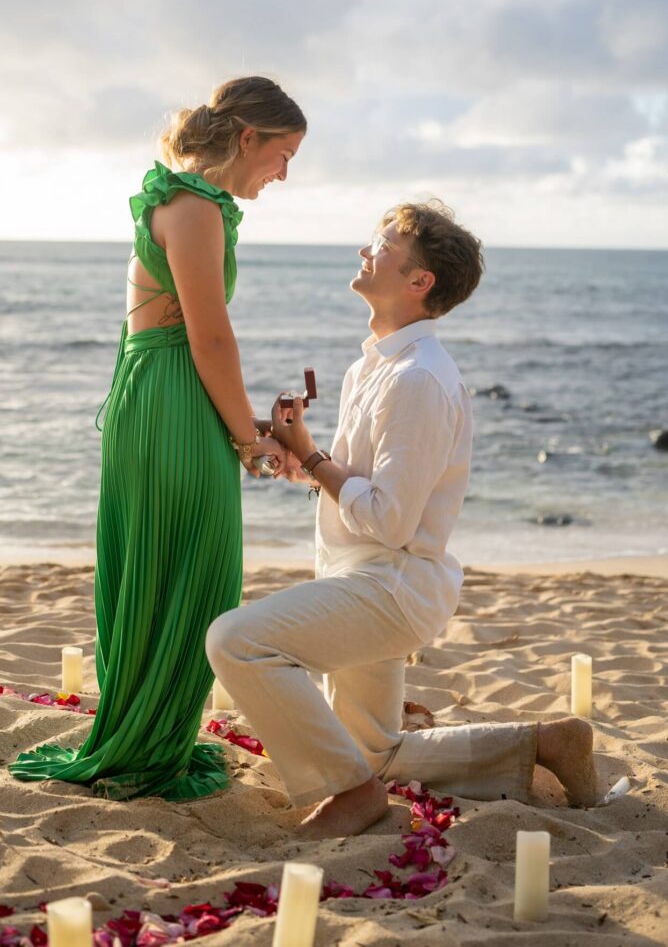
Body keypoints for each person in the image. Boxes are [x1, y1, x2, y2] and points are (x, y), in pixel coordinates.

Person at [206, 200, 599, 837]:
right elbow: (359, 482)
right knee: (371, 752)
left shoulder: (418, 379)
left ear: (420, 282)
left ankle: (357, 798)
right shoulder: (374, 364)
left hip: (389, 587)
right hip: (359, 574)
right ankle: (545, 741)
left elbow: (388, 521)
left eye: (383, 243)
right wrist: (297, 456)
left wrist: (310, 452)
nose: (367, 250)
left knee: (236, 641)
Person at [10, 76, 306, 800]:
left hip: (160, 391)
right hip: (172, 393)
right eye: (283, 153)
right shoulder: (196, 208)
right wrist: (248, 441)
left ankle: (152, 732)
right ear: (247, 139)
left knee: (166, 561)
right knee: (193, 568)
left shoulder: (181, 200)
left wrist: (246, 426)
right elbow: (208, 337)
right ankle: (147, 740)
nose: (285, 173)